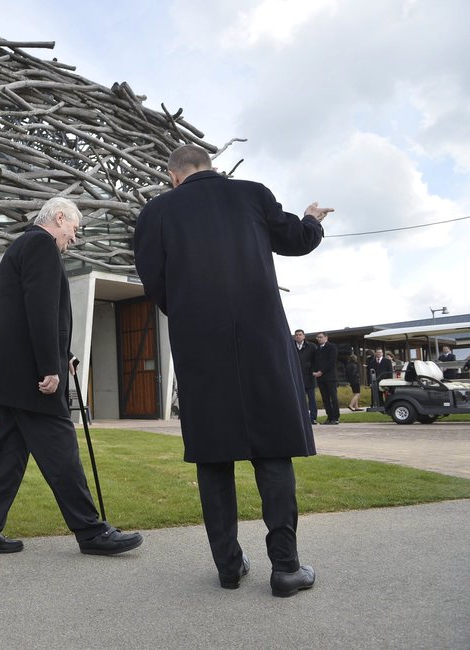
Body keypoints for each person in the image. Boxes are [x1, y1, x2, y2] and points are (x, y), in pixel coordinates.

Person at [134, 144, 331, 597]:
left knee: (213, 457)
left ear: (174, 175)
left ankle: (228, 567)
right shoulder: (252, 194)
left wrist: (185, 311)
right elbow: (295, 241)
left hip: (200, 345)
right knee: (273, 452)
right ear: (210, 167)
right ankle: (286, 569)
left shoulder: (157, 212)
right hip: (261, 342)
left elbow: (153, 278)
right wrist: (312, 220)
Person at [0, 196, 143, 557]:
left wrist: (66, 356)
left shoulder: (23, 246)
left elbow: (28, 313)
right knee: (61, 452)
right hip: (30, 378)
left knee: (10, 457)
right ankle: (91, 532)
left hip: (7, 376)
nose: (73, 239)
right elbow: (42, 310)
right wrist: (50, 366)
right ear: (59, 217)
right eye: (73, 229)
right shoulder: (41, 244)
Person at [312, 333, 339, 424]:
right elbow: (315, 362)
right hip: (320, 378)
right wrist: (314, 371)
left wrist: (321, 371)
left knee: (333, 398)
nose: (319, 339)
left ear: (326, 337)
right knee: (325, 398)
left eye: (321, 337)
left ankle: (335, 417)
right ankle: (329, 417)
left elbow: (331, 362)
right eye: (318, 337)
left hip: (330, 377)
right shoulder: (317, 350)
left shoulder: (332, 347)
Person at [293, 329, 318, 424]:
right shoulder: (291, 346)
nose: (298, 336)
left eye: (300, 335)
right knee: (299, 400)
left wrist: (313, 370)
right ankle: (301, 418)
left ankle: (313, 418)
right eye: (296, 335)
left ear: (304, 336)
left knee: (312, 399)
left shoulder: (311, 346)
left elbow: (316, 360)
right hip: (297, 377)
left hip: (309, 377)